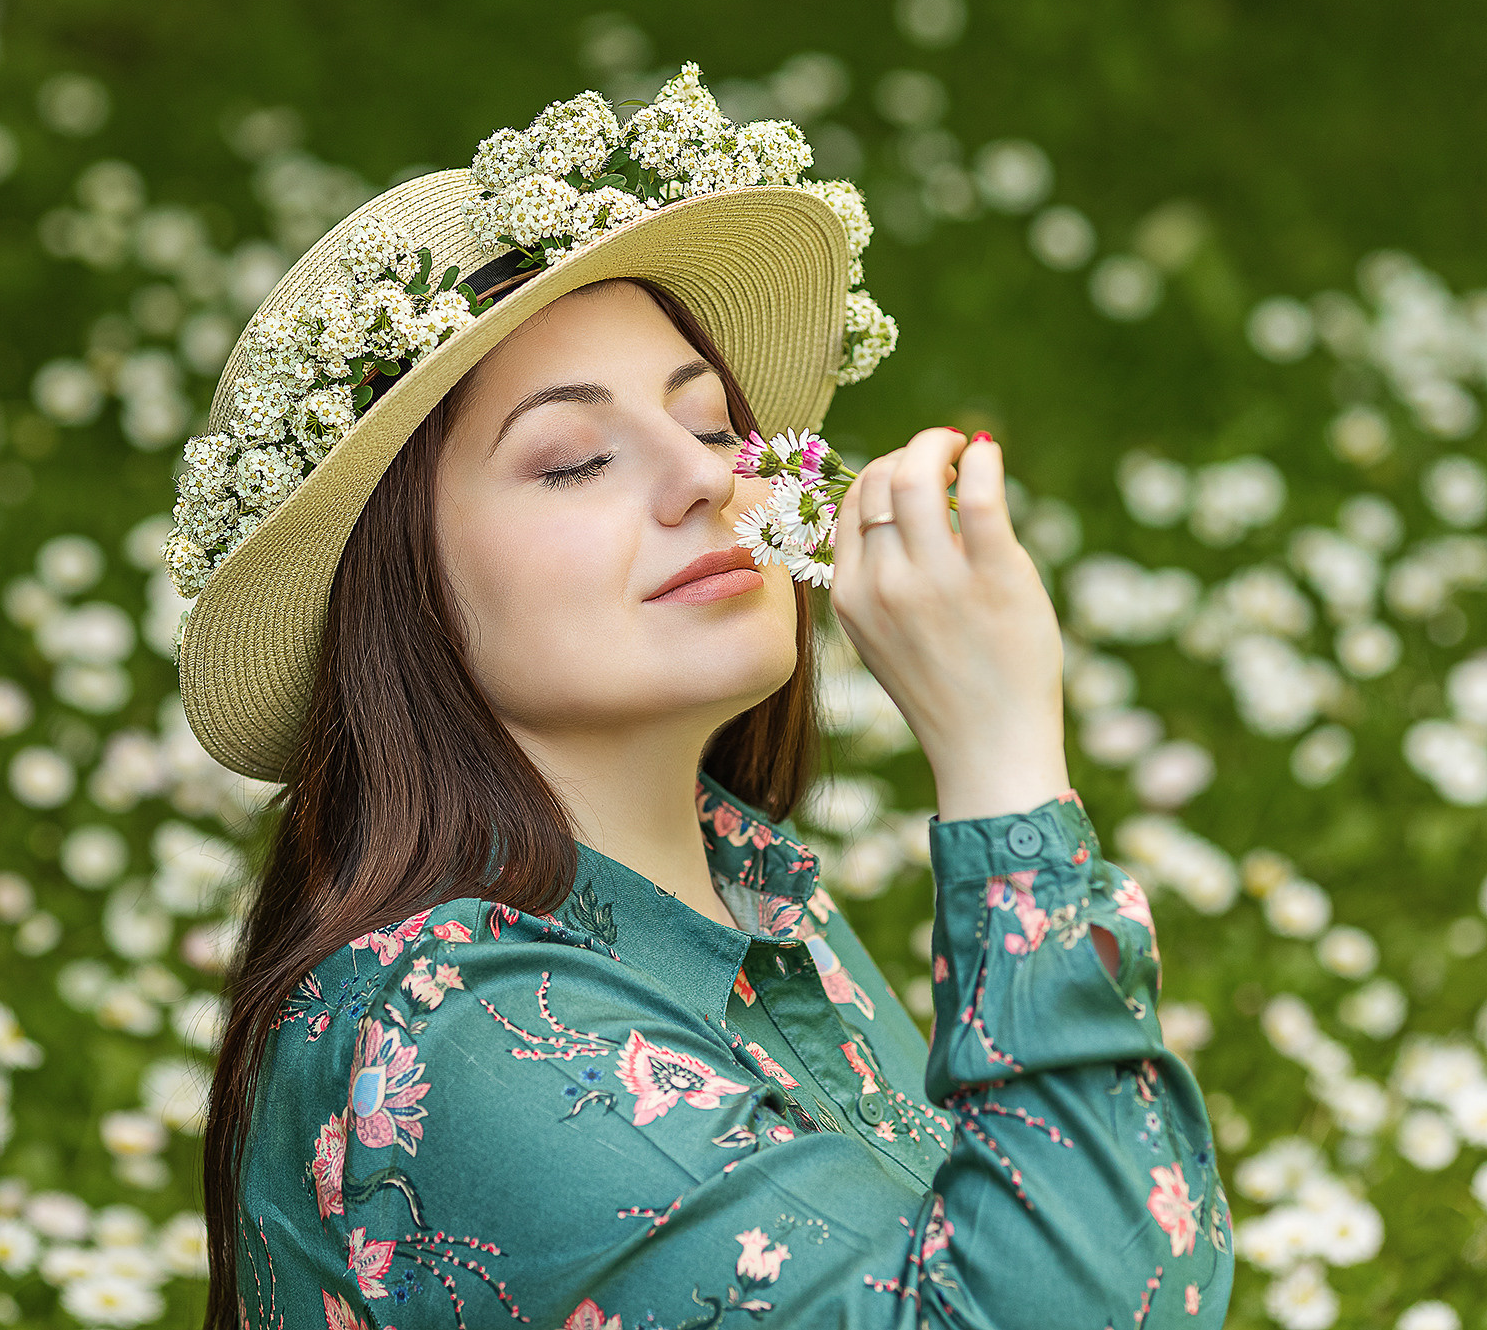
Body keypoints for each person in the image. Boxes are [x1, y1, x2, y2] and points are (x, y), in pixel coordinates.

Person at [164, 64, 1233, 1328]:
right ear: (397, 597)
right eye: (572, 462)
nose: (700, 479)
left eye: (715, 421)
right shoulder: (463, 1034)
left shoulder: (743, 893)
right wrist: (1002, 771)